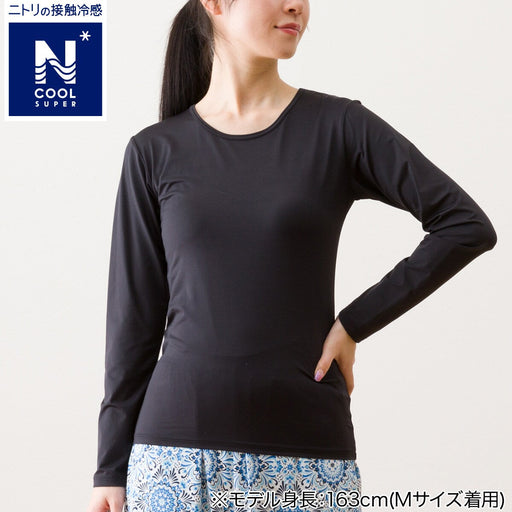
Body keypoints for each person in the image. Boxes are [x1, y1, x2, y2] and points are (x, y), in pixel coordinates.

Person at [86, 0, 498, 511]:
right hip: (175, 459)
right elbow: (133, 323)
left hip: (307, 454)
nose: (296, 6)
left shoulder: (340, 127)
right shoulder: (154, 152)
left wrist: (354, 323)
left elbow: (464, 225)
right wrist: (109, 469)